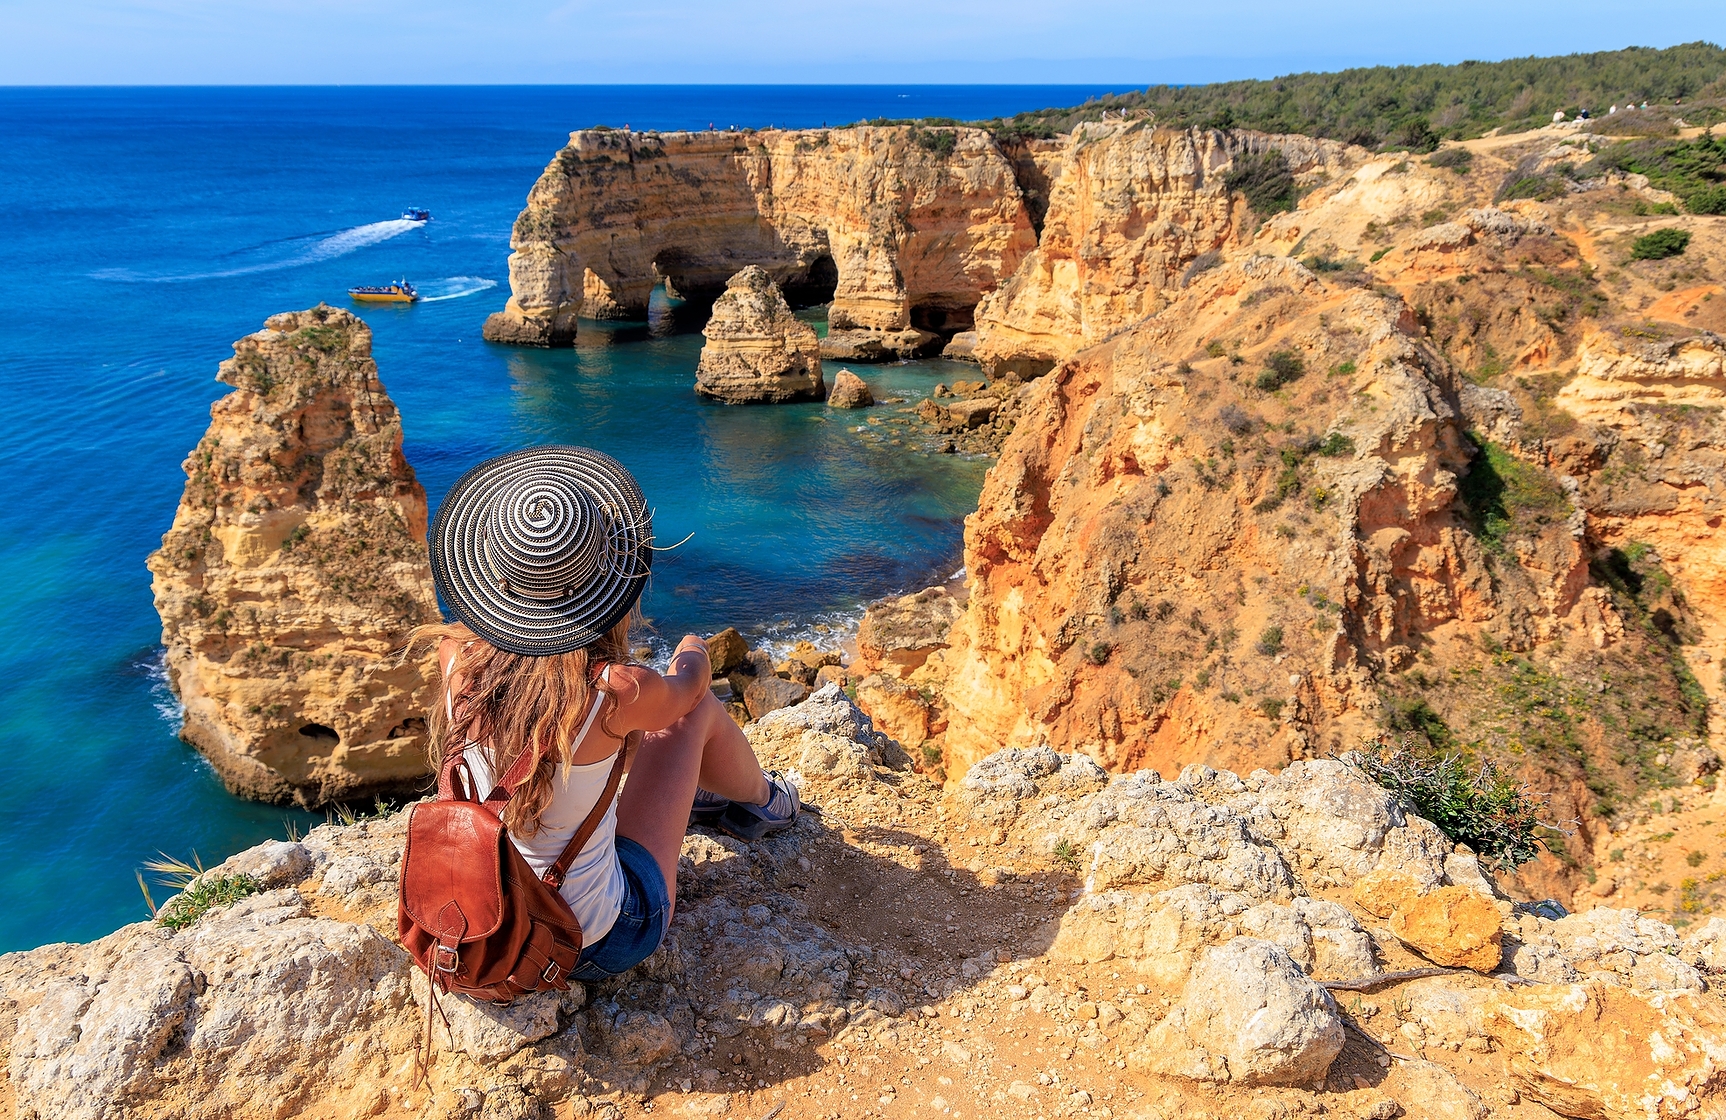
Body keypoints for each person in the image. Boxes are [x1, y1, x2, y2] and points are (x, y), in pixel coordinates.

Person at [414, 445, 800, 982]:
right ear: (603, 583)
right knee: (696, 714)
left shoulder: (457, 657)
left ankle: (720, 799)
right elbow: (688, 692)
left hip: (481, 921)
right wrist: (693, 647)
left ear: (491, 575)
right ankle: (763, 803)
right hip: (591, 942)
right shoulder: (613, 691)